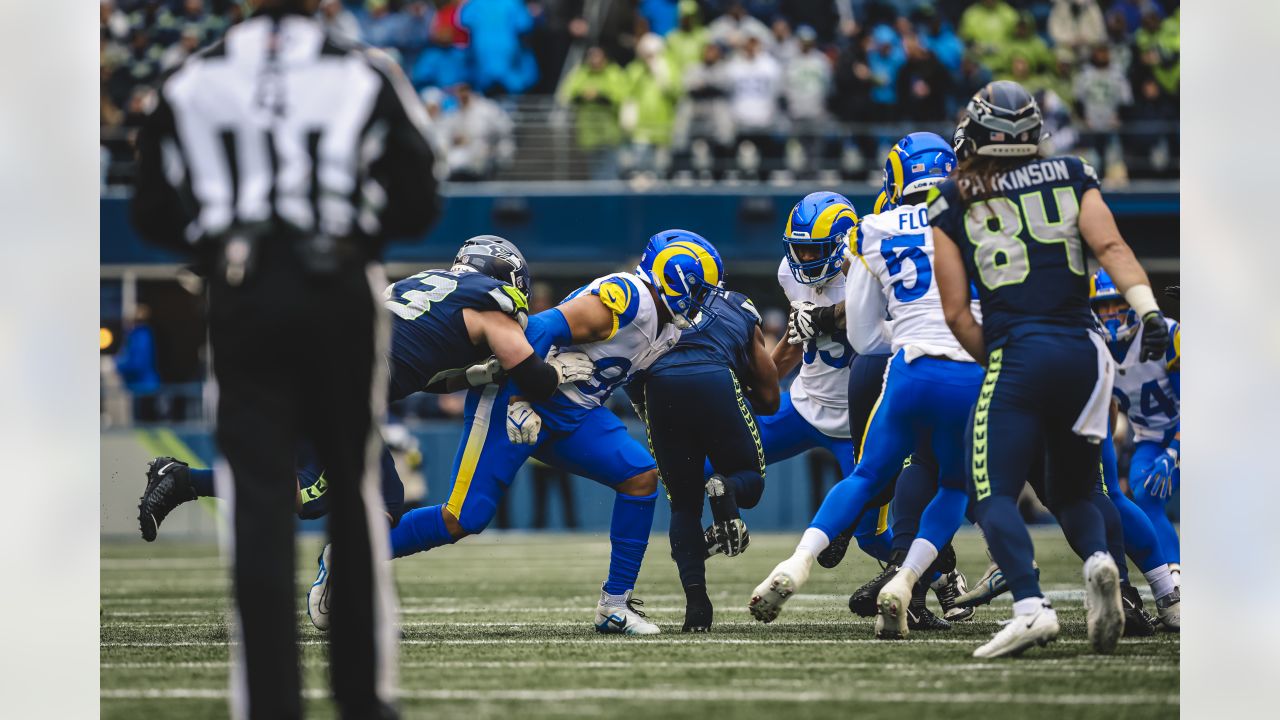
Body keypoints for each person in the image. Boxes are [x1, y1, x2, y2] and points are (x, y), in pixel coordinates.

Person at [130, 2, 443, 712]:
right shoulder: (365, 70)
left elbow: (147, 206)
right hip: (338, 285)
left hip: (243, 291)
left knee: (259, 503)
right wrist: (354, 236)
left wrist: (217, 246)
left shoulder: (192, 76)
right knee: (357, 498)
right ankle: (362, 697)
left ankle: (269, 702)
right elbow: (420, 195)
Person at [372, 230, 726, 636]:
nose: (702, 301)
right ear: (673, 278)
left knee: (640, 476)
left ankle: (614, 605)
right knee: (463, 518)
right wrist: (520, 397)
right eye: (699, 290)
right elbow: (540, 327)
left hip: (576, 412)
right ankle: (352, 555)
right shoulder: (629, 300)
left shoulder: (668, 327)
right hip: (521, 400)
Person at [928, 80, 1171, 659]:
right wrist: (1149, 310)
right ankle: (1099, 562)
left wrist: (1007, 365)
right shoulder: (1073, 172)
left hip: (1019, 350)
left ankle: (1031, 607)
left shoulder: (952, 196)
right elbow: (1111, 248)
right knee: (1077, 487)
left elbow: (958, 314)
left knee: (989, 490)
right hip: (1087, 351)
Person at [749, 135, 979, 638]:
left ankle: (937, 577)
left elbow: (861, 330)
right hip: (828, 398)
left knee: (871, 513)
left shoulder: (872, 236)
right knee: (960, 484)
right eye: (801, 251)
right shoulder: (975, 223)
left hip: (877, 392)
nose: (805, 261)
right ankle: (1012, 585)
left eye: (816, 250)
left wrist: (826, 319)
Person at [631, 282, 780, 632]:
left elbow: (627, 365)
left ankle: (697, 605)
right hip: (716, 379)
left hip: (661, 388)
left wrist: (645, 401)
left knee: (683, 506)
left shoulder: (642, 305)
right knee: (749, 480)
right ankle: (725, 488)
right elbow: (770, 398)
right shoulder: (738, 306)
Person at [1091, 269, 1182, 629]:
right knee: (1143, 491)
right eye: (1104, 306)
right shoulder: (1099, 349)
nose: (1111, 314)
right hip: (1148, 437)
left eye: (1118, 305)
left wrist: (1174, 452)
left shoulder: (1167, 335)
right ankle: (1175, 583)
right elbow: (1110, 404)